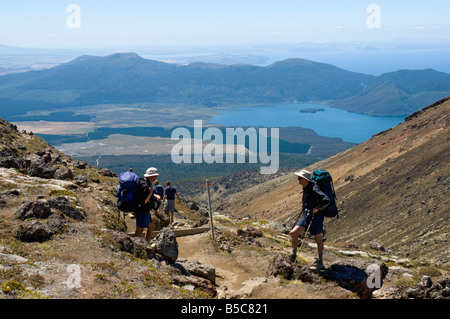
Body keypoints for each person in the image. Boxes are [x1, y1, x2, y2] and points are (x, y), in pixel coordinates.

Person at [289, 169, 330, 270]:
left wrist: (318, 208)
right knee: (293, 233)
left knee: (318, 239)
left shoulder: (314, 188)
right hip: (307, 216)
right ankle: (293, 256)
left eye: (299, 178)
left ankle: (320, 262)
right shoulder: (306, 187)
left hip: (316, 218)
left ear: (305, 179)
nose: (298, 180)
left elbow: (326, 200)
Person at [134, 167, 161, 243]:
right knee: (139, 230)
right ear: (150, 176)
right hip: (142, 210)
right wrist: (151, 193)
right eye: (154, 176)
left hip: (145, 210)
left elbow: (145, 196)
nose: (156, 178)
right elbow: (144, 201)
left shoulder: (145, 182)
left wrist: (155, 196)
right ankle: (136, 248)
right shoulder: (145, 186)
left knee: (151, 226)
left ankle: (147, 245)